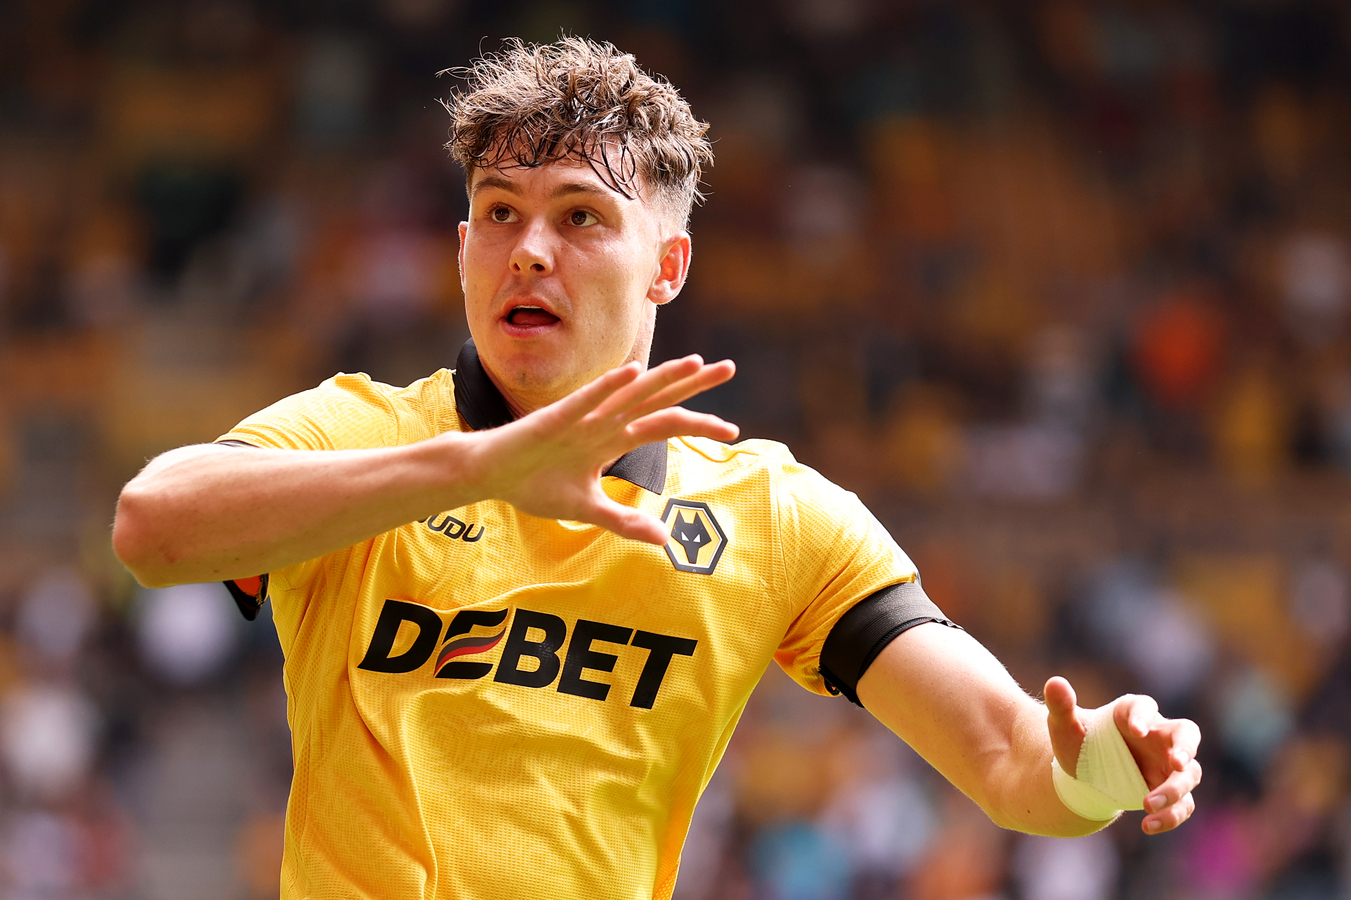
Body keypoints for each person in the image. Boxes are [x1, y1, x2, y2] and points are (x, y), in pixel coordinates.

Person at [112, 37, 1201, 900]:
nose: (528, 249)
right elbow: (153, 527)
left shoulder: (776, 518)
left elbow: (1008, 756)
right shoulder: (367, 435)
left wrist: (1099, 764)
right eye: (498, 213)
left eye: (580, 216)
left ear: (667, 266)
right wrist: (478, 469)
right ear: (463, 249)